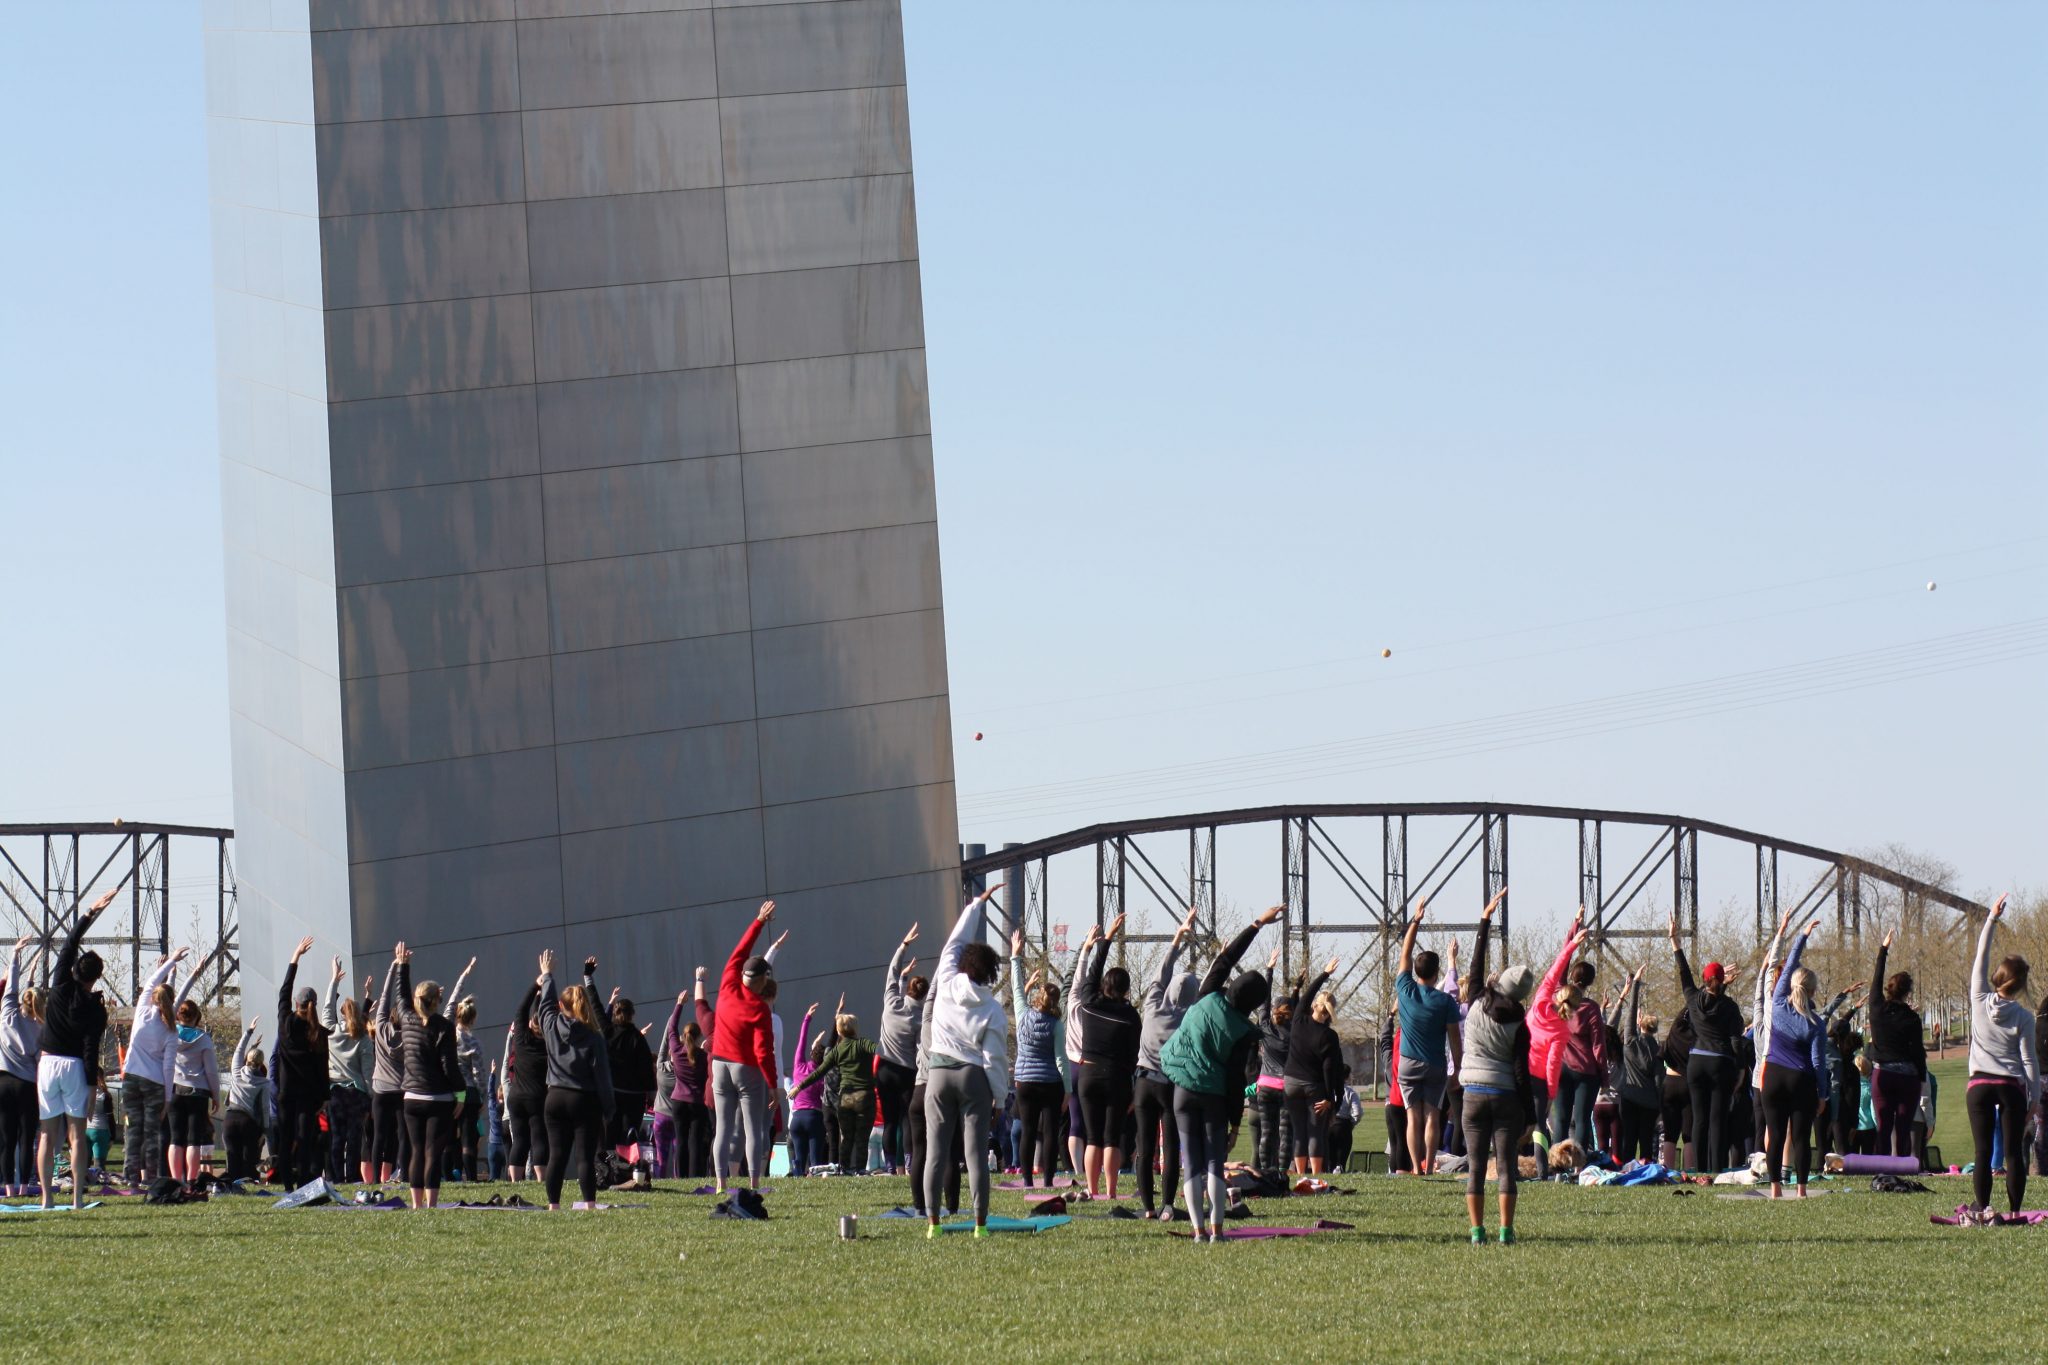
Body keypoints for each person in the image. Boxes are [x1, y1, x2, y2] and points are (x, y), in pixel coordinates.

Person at [1160, 905, 1283, 1243]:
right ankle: (1216, 1230)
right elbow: (1233, 1080)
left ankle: (1197, 1231)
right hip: (1213, 1095)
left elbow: (1226, 959)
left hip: (1181, 1089)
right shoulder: (1242, 1031)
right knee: (1215, 1163)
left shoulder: (1207, 994)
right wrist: (1234, 1124)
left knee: (1191, 1161)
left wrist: (1257, 923)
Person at [923, 886, 1008, 1238]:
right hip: (973, 1078)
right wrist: (999, 1099)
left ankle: (932, 1224)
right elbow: (994, 1059)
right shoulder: (992, 1009)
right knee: (974, 1155)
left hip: (939, 1074)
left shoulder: (945, 979)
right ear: (989, 975)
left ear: (963, 963)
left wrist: (977, 905)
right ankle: (979, 1225)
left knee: (935, 1152)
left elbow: (955, 940)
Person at [1458, 888, 1534, 1244]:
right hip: (1505, 1096)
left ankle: (1476, 1231)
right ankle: (1506, 1230)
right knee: (1507, 1168)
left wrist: (1485, 919)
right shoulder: (1521, 1024)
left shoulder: (1475, 999)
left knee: (1475, 1167)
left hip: (1472, 1094)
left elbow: (1475, 964)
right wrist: (1531, 1115)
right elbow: (1521, 1073)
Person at [37, 887, 118, 1210]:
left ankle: (45, 1198)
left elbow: (69, 944)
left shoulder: (58, 985)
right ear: (96, 978)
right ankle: (77, 1198)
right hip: (73, 1068)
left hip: (46, 1064)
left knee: (45, 1135)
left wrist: (90, 912)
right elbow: (90, 1048)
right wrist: (88, 1088)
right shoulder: (95, 1008)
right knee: (76, 1135)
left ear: (75, 970)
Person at [1963, 895, 2038, 1220]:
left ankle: (1982, 1207)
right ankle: (2015, 1210)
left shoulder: (1979, 997)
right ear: (2021, 985)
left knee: (1982, 1152)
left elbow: (1981, 953)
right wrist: (2033, 1098)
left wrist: (1992, 919)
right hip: (2010, 1086)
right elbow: (2029, 1061)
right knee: (2012, 1154)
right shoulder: (2023, 1016)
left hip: (1978, 1083)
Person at [533, 949, 615, 1211]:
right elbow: (602, 1076)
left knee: (557, 1155)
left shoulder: (550, 1025)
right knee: (584, 1157)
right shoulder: (594, 1038)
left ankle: (553, 1205)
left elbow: (545, 1004)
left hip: (555, 1095)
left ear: (561, 1006)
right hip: (584, 1098)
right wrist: (608, 1108)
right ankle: (589, 1204)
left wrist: (547, 975)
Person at [709, 901, 779, 1194]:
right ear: (763, 980)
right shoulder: (760, 1009)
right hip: (745, 1068)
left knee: (723, 1128)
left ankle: (720, 1183)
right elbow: (764, 1052)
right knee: (752, 1129)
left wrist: (759, 921)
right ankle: (753, 1184)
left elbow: (741, 950)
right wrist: (773, 1086)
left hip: (719, 1065)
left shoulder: (728, 983)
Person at [1135, 906, 1201, 1216]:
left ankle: (1147, 1207)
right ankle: (1167, 1204)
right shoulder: (1190, 1019)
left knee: (1145, 1147)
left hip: (1143, 1082)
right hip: (1170, 1086)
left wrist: (1178, 937)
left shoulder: (1151, 1006)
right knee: (1171, 1147)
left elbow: (1162, 971)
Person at [1072, 912, 1142, 1200]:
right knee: (1112, 1136)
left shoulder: (1088, 1004)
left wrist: (1103, 941)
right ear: (1126, 990)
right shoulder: (1130, 1016)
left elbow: (1091, 974)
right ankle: (1111, 1191)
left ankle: (1092, 1188)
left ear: (1104, 986)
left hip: (1087, 1074)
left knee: (1092, 1137)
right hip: (1117, 1077)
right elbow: (1134, 1053)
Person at [1670, 912, 1745, 1174]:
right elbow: (1736, 1041)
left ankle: (1698, 1170)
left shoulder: (1693, 999)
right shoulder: (1730, 1007)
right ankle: (1716, 1170)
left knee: (1699, 1119)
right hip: (1720, 1063)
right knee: (1718, 1120)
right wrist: (1740, 1069)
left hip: (1697, 1063)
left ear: (1704, 980)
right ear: (1723, 981)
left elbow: (1684, 973)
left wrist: (1675, 942)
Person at [1761, 920, 1830, 1198]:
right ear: (1812, 992)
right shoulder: (1816, 1024)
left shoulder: (1777, 1003)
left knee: (1775, 1135)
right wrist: (1822, 1095)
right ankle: (1801, 1190)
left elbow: (1789, 963)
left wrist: (1803, 936)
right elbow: (1818, 1064)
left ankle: (1775, 1187)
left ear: (1790, 986)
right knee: (1801, 1137)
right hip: (1801, 1081)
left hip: (1774, 1076)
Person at [1395, 898, 1463, 1175]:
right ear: (1437, 974)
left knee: (1412, 1116)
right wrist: (1457, 1069)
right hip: (1435, 1064)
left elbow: (1405, 952)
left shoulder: (1405, 989)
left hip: (1408, 1062)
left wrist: (1416, 921)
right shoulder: (1446, 1002)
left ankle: (1415, 1167)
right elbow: (1455, 1040)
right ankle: (1430, 1165)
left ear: (1416, 971)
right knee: (1432, 1114)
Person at [1008, 927, 1067, 1188]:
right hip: (1050, 1083)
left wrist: (1015, 956)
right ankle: (1048, 1179)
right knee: (1051, 1131)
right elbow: (1061, 1059)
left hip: (1024, 1081)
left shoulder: (1022, 1015)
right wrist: (1068, 1090)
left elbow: (1016, 987)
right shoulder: (1056, 1024)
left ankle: (1027, 1179)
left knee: (1028, 1131)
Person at [794, 996, 881, 1171]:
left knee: (846, 1137)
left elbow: (819, 1072)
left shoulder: (837, 1050)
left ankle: (844, 1169)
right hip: (865, 1095)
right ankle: (860, 1170)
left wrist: (799, 1087)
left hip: (846, 1096)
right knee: (862, 1138)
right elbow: (880, 1050)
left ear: (840, 1031)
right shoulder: (863, 1044)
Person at [1526, 909, 1587, 1141]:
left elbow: (1555, 969)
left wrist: (1571, 943)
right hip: (1540, 1079)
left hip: (1521, 1070)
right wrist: (1551, 1093)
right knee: (1540, 1127)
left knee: (1516, 1123)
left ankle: (1510, 1164)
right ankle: (1543, 1169)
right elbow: (1552, 1063)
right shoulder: (1561, 1030)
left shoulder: (1539, 1002)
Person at [1867, 927, 1927, 1161]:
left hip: (1882, 1074)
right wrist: (1921, 1078)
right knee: (1902, 1128)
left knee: (1883, 1125)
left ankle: (1880, 1169)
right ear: (1907, 992)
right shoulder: (1912, 1019)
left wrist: (1883, 950)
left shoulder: (1876, 1008)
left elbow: (1876, 979)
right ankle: (1899, 1168)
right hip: (1907, 1077)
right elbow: (1917, 1052)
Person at [1283, 954, 1345, 1176]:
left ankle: (1300, 1174)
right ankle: (1316, 1175)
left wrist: (1325, 974)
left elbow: (1306, 994)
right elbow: (1330, 1068)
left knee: (1298, 1131)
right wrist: (1330, 1097)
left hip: (1290, 1082)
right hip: (1313, 1085)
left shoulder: (1298, 1019)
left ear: (1315, 1006)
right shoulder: (1329, 1036)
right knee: (1315, 1132)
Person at [321, 958, 372, 1184]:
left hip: (334, 1091)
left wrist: (334, 979)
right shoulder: (362, 1038)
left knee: (336, 1138)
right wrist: (370, 1097)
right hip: (356, 1091)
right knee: (354, 1138)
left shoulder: (331, 1031)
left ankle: (336, 1177)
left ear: (342, 1014)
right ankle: (352, 1176)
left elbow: (326, 1008)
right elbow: (368, 1071)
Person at [877, 922, 923, 1174]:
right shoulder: (920, 1017)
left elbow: (892, 972)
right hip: (907, 1071)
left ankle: (889, 1166)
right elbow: (919, 1048)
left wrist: (903, 945)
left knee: (889, 1121)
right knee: (907, 1119)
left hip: (884, 1068)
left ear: (906, 990)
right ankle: (907, 1163)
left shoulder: (891, 1002)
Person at [2, 936, 45, 1197]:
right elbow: (40, 1061)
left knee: (6, 1139)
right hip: (28, 1084)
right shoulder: (40, 1027)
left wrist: (16, 955)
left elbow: (11, 986)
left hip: (3, 1081)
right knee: (26, 1139)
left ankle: (7, 1187)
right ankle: (24, 1187)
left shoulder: (7, 1013)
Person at [1552, 956, 1609, 1152]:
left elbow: (1561, 967)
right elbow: (1598, 1046)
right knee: (1583, 1119)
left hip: (1561, 1067)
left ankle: (1557, 1164)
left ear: (1571, 976)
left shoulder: (1560, 1000)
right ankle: (1580, 1165)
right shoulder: (1591, 1008)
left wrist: (1572, 937)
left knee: (1561, 1118)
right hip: (1586, 1071)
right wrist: (1604, 1077)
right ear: (1591, 982)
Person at [165, 999, 220, 1189]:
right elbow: (211, 1070)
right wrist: (216, 1095)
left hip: (174, 1091)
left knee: (175, 1138)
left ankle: (176, 1179)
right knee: (193, 1140)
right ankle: (191, 1180)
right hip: (198, 1092)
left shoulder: (171, 1035)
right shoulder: (204, 1039)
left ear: (178, 1016)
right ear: (197, 1017)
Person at [1611, 969, 1661, 1164]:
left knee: (1629, 1138)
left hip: (1630, 1097)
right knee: (1646, 1139)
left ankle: (1628, 1167)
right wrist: (1659, 1105)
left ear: (1640, 1024)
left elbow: (1630, 1013)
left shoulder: (1630, 1041)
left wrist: (1635, 985)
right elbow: (1659, 1080)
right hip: (1649, 1101)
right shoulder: (1657, 1050)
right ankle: (1646, 1165)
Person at [506, 976, 549, 1183]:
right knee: (539, 1137)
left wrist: (535, 986)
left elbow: (520, 1012)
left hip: (515, 1096)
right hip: (537, 1097)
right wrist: (543, 996)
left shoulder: (521, 1040)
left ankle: (516, 1180)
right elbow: (542, 1017)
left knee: (520, 1140)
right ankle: (541, 1178)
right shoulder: (548, 1046)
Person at [368, 957, 406, 1185]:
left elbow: (385, 996)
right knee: (402, 1136)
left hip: (380, 1089)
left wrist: (393, 967)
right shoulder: (409, 1034)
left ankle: (373, 1181)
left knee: (378, 1137)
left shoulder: (380, 1027)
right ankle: (402, 1174)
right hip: (401, 1089)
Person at [1253, 956, 1291, 1172]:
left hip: (1265, 1084)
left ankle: (1266, 1170)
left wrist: (1269, 972)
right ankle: (1282, 1173)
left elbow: (1263, 1003)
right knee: (1286, 1133)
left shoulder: (1266, 1025)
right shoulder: (1294, 1031)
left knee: (1267, 1132)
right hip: (1286, 1086)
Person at [223, 1021, 269, 1183]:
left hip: (230, 1118)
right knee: (249, 1159)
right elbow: (264, 1108)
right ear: (261, 1063)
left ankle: (233, 1184)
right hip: (248, 1121)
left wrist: (248, 1031)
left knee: (232, 1155)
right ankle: (249, 1181)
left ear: (246, 1060)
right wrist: (265, 1130)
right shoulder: (264, 1083)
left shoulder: (236, 1072)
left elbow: (238, 1051)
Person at [786, 1005, 828, 1173]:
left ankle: (798, 1180)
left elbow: (801, 1041)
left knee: (799, 1159)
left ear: (811, 1055)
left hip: (796, 1119)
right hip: (813, 1117)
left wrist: (807, 1019)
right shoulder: (822, 1074)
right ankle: (815, 1184)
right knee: (815, 1161)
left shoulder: (798, 1066)